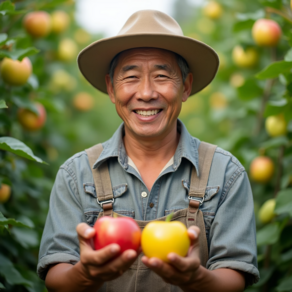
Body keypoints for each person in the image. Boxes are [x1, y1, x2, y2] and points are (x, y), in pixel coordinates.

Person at [37, 10, 259, 292]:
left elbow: (234, 274)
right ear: (111, 88)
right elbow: (56, 273)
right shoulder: (77, 174)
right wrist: (85, 274)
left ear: (186, 86)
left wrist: (197, 279)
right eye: (130, 77)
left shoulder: (224, 173)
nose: (145, 93)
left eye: (162, 76)